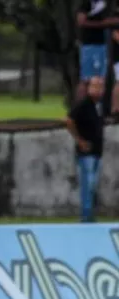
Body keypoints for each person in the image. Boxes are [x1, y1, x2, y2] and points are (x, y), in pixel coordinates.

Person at [66, 76, 105, 223]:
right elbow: (69, 120)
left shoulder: (99, 106)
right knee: (88, 183)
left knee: (93, 185)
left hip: (97, 152)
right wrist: (80, 140)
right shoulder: (83, 105)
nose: (99, 90)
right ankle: (86, 215)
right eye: (95, 86)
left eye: (101, 87)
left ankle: (90, 214)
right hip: (86, 153)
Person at [77, 0, 119, 100]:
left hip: (102, 45)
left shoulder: (106, 4)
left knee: (100, 79)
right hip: (89, 44)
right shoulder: (87, 3)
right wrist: (102, 24)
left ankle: (96, 107)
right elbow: (81, 21)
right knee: (86, 79)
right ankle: (79, 107)